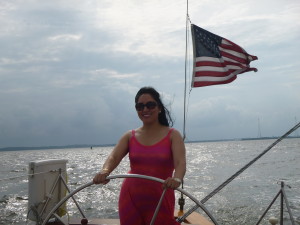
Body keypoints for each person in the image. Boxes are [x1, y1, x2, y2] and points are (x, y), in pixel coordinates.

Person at [93, 86, 186, 225]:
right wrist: (105, 170)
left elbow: (180, 162)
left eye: (150, 105)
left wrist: (177, 178)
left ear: (159, 108)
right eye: (140, 106)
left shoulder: (173, 135)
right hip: (131, 197)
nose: (145, 109)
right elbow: (113, 157)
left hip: (161, 196)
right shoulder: (129, 136)